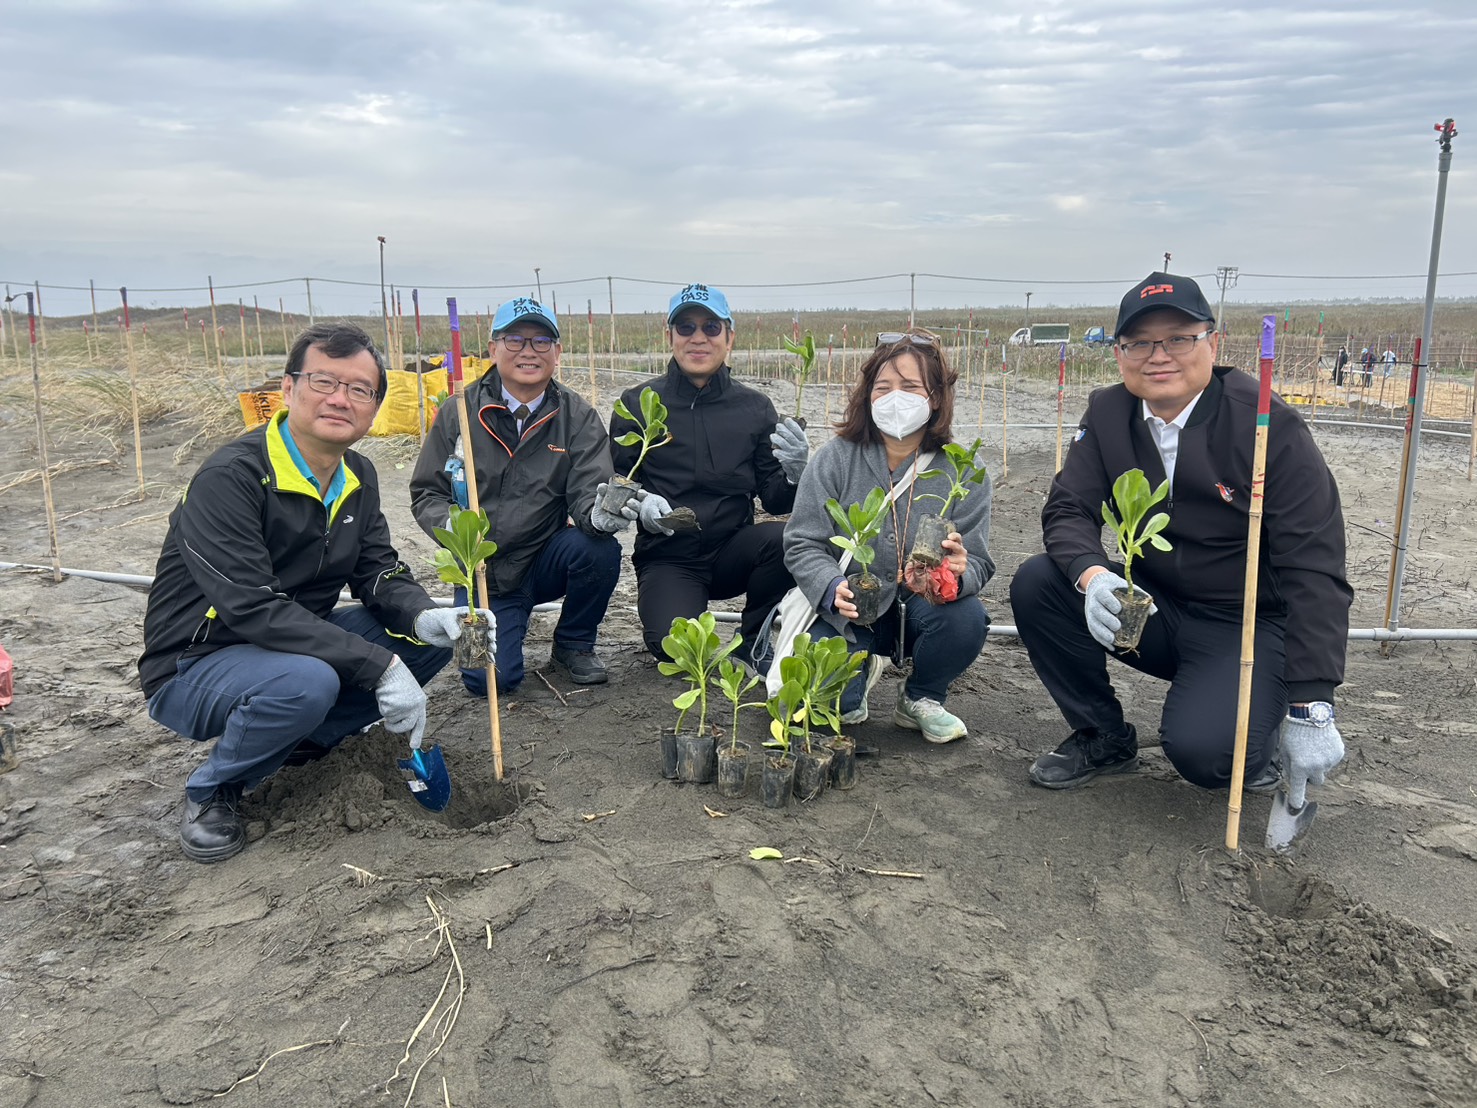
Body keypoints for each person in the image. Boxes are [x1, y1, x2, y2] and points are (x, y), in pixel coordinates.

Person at [140, 322, 491, 863]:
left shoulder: (358, 474)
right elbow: (252, 608)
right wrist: (379, 668)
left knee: (421, 641)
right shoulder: (233, 477)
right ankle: (214, 791)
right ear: (288, 388)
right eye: (324, 381)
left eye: (359, 389)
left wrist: (425, 616)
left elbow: (378, 570)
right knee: (310, 682)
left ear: (374, 406)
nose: (340, 399)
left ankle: (299, 743)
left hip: (289, 648)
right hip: (197, 661)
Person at [1009, 272, 1352, 817]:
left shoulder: (1266, 425)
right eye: (1139, 342)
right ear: (1119, 353)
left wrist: (1311, 702)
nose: (1158, 355)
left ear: (1211, 343)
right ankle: (1104, 737)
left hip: (1245, 626)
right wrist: (1095, 575)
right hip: (1154, 606)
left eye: (1178, 338)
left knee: (1205, 757)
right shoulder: (1107, 414)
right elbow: (1068, 508)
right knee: (1039, 582)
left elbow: (1314, 567)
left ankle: (1252, 738)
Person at [783, 331, 992, 742]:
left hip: (923, 610)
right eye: (883, 387)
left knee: (968, 619)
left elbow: (981, 561)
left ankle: (921, 697)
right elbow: (802, 540)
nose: (896, 397)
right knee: (834, 708)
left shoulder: (964, 467)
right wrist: (830, 587)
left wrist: (958, 574)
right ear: (868, 396)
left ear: (934, 397)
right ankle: (858, 673)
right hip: (850, 611)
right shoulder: (836, 457)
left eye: (910, 387)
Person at [410, 297, 625, 695]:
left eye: (542, 341)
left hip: (544, 559)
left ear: (557, 352)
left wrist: (598, 515)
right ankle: (502, 625)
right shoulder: (458, 410)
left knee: (599, 549)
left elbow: (586, 491)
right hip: (481, 571)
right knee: (487, 681)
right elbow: (427, 492)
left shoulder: (576, 416)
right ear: (493, 349)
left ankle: (574, 644)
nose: (528, 351)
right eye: (515, 339)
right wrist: (457, 531)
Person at [612, 284, 808, 667]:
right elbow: (617, 477)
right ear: (669, 336)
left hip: (733, 551)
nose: (698, 338)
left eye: (710, 327)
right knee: (678, 651)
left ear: (729, 337)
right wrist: (638, 502)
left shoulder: (755, 407)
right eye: (685, 327)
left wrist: (797, 473)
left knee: (786, 540)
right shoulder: (636, 404)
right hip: (669, 557)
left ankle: (752, 639)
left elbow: (774, 500)